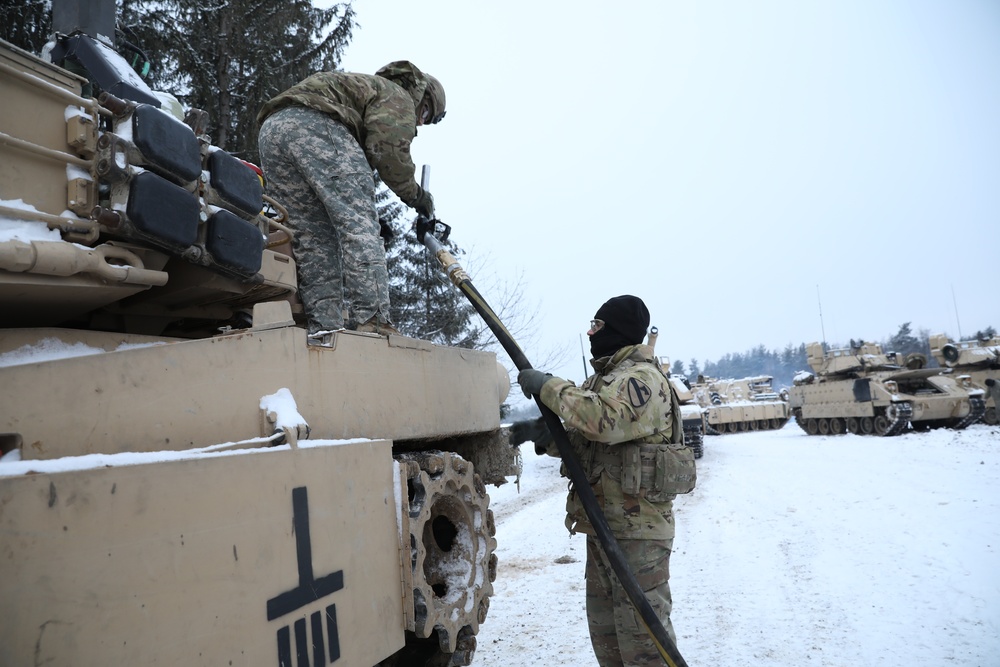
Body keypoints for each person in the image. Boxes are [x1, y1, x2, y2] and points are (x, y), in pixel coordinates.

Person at [511, 295, 695, 667]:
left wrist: (548, 386)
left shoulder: (640, 379)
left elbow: (602, 422)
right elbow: (592, 441)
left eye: (597, 325)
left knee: (644, 642)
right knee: (609, 639)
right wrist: (549, 438)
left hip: (637, 535)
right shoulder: (605, 379)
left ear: (617, 330)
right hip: (604, 528)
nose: (591, 332)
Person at [256, 61, 446, 335]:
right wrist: (418, 197)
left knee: (312, 239)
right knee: (359, 228)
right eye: (425, 113)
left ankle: (325, 328)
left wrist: (368, 212)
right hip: (318, 124)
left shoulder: (369, 89)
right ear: (421, 94)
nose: (419, 121)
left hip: (273, 131)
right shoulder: (399, 96)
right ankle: (375, 321)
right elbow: (389, 151)